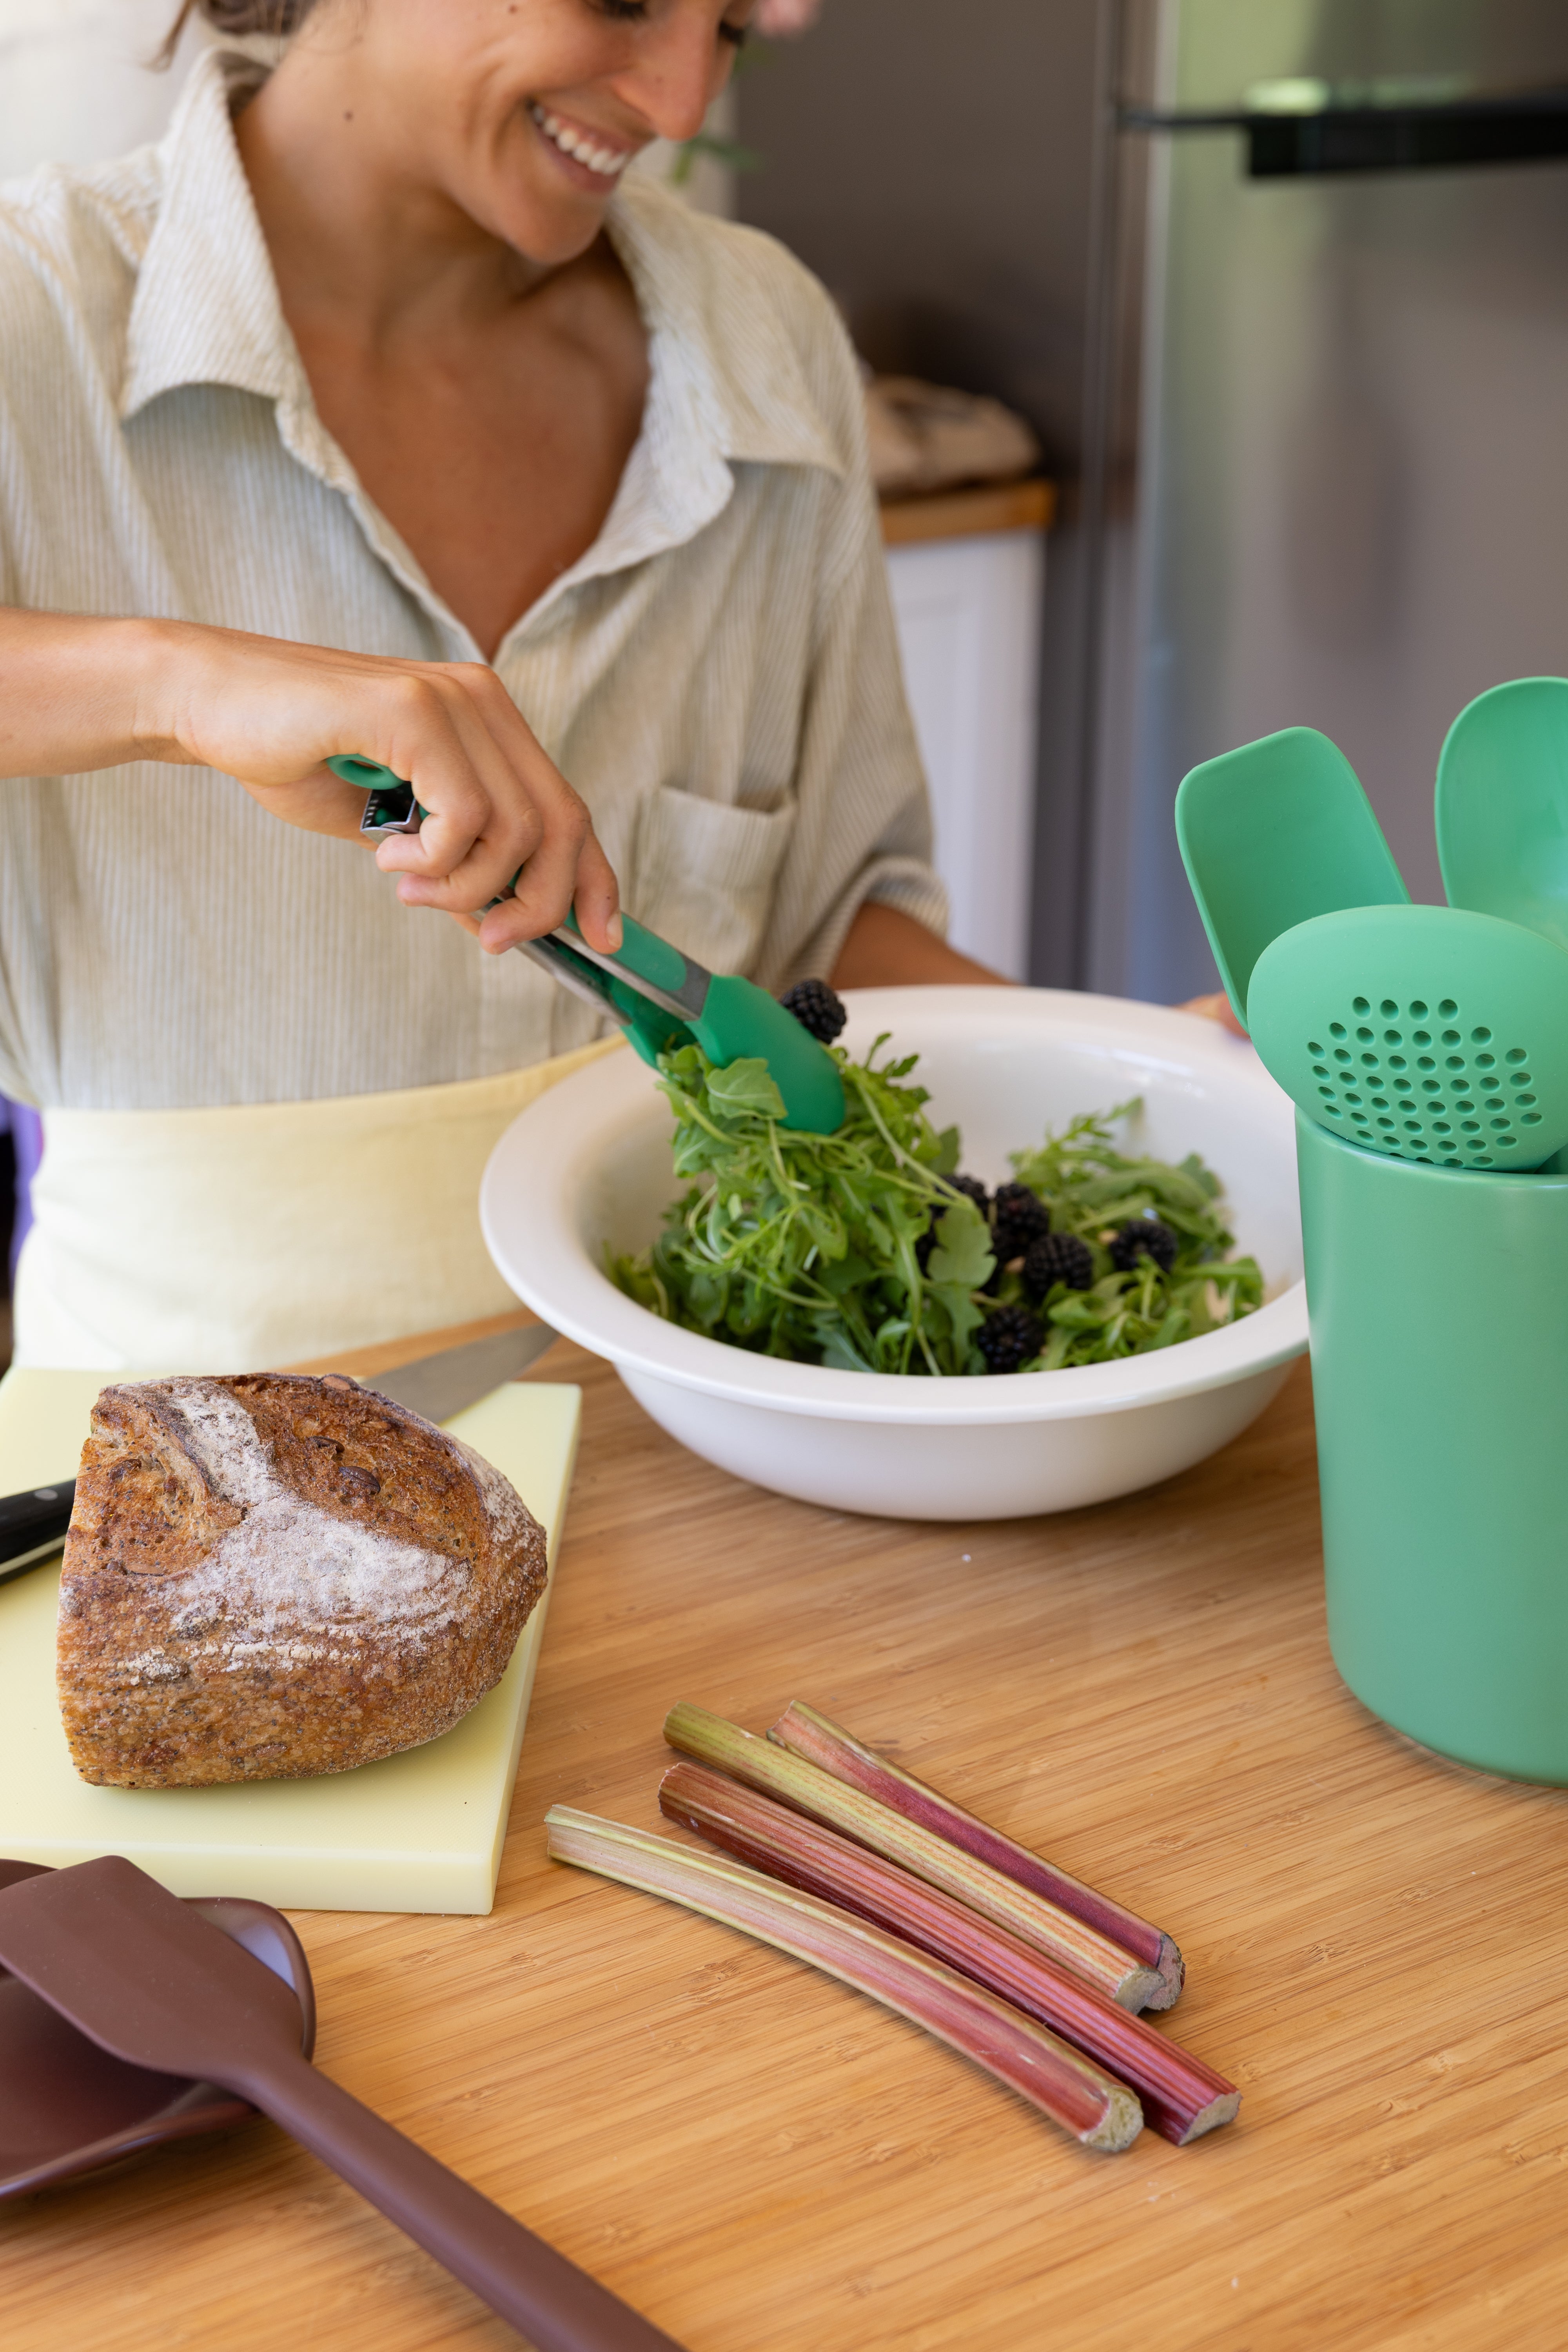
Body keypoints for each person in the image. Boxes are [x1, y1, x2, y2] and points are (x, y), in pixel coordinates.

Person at [0, 0, 1000, 1372]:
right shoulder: (31, 319)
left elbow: (829, 951)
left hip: (695, 1436)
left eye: (734, 31)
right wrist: (172, 680)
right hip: (169, 1474)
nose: (683, 98)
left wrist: (1166, 1081)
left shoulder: (764, 343)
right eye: (631, 0)